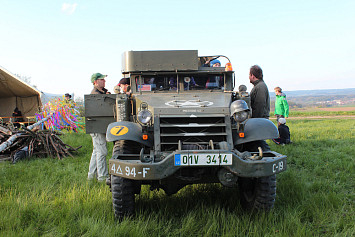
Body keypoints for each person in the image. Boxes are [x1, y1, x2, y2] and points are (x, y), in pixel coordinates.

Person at [88, 73, 110, 182]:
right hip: (97, 127)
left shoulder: (100, 92)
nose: (104, 81)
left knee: (96, 151)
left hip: (96, 127)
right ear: (95, 82)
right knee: (102, 152)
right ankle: (102, 177)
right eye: (102, 80)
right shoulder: (96, 94)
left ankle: (91, 176)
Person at [249, 65, 271, 151]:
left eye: (249, 75)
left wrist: (254, 121)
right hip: (259, 120)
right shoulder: (259, 86)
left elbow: (259, 105)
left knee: (259, 143)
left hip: (259, 120)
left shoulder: (260, 87)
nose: (249, 77)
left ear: (252, 76)